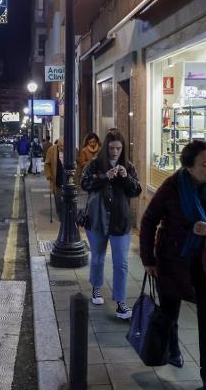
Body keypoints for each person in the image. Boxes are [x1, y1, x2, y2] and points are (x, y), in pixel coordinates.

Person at [140, 140, 206, 390]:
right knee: (170, 312)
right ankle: (173, 349)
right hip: (173, 263)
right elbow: (149, 220)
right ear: (189, 166)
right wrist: (148, 259)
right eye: (205, 164)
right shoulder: (172, 187)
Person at [81, 129, 141, 319]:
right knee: (98, 257)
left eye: (119, 148)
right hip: (97, 220)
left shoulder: (128, 166)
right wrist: (104, 176)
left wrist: (126, 178)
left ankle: (121, 303)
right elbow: (84, 183)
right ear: (105, 148)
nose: (115, 152)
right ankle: (97, 288)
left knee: (121, 263)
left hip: (119, 221)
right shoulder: (95, 164)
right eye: (112, 148)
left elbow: (136, 191)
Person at [44, 138, 65, 220]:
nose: (63, 148)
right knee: (58, 198)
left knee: (68, 198)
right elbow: (47, 164)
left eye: (64, 146)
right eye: (61, 146)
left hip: (68, 178)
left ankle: (67, 214)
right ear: (58, 144)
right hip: (56, 178)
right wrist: (48, 174)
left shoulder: (72, 149)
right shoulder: (51, 150)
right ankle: (60, 214)